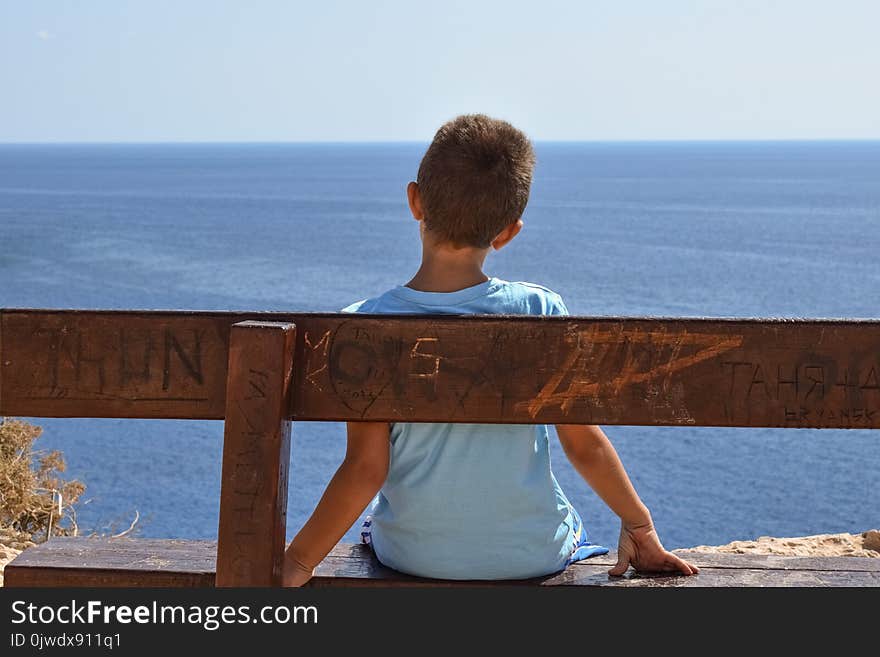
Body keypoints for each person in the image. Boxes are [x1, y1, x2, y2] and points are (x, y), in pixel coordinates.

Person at [283, 114, 699, 585]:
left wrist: (297, 562)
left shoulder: (363, 324)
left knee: (375, 520)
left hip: (412, 555)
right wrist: (640, 526)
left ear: (415, 201)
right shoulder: (541, 311)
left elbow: (364, 469)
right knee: (569, 521)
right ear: (507, 232)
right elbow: (582, 443)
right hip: (530, 556)